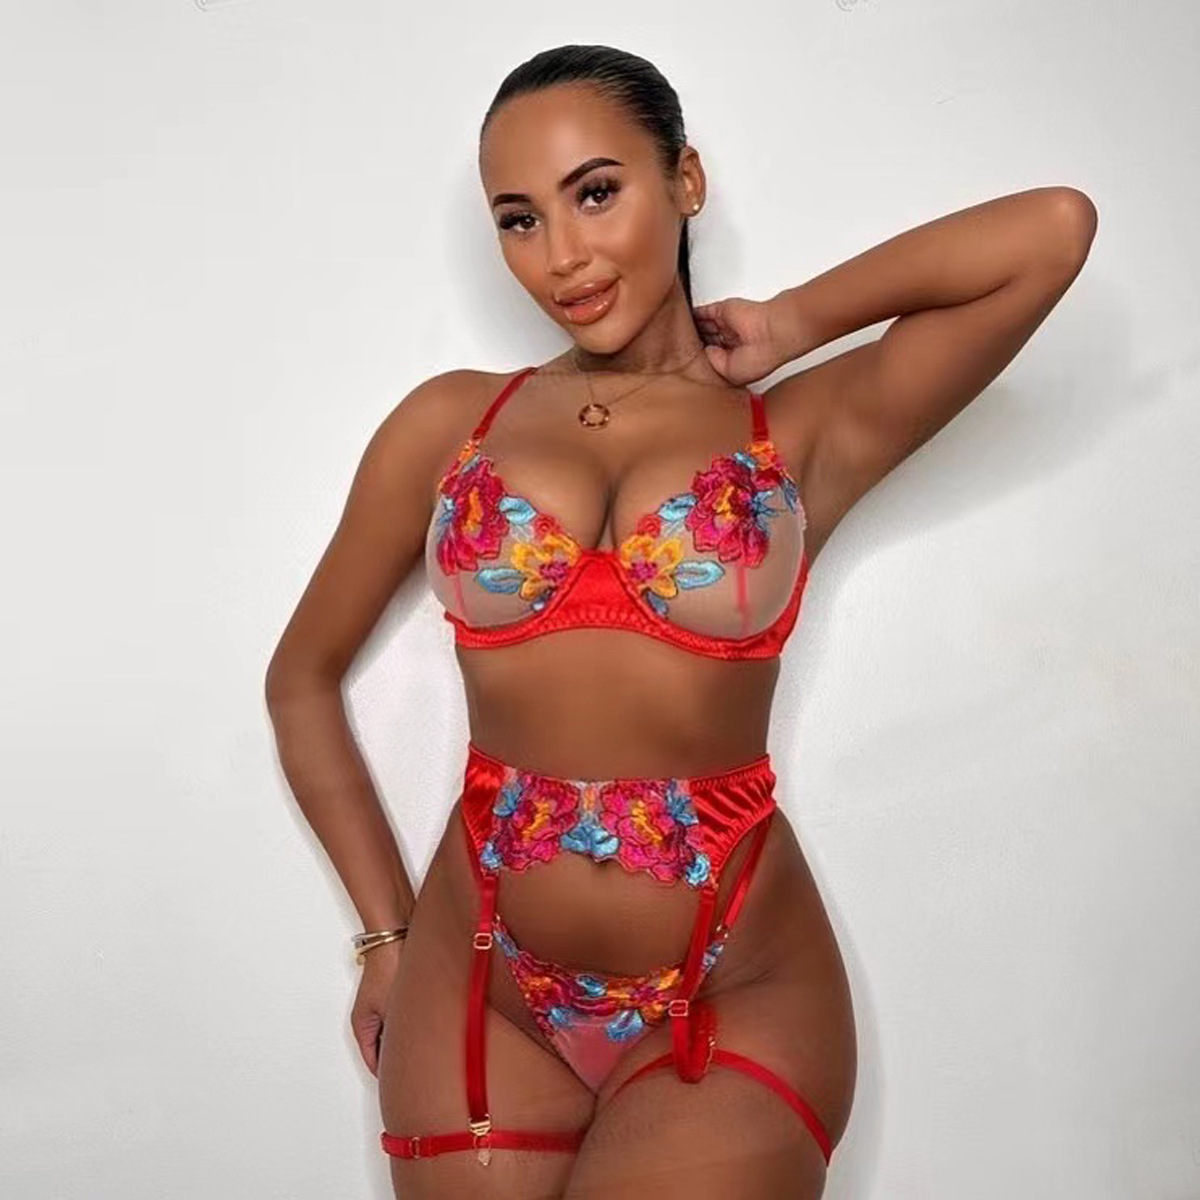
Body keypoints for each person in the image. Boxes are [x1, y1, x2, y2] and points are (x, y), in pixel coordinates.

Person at [264, 42, 1096, 1200]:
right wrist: (385, 936)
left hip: (733, 988)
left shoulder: (796, 432)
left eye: (596, 193)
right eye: (519, 219)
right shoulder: (449, 424)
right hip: (478, 988)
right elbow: (300, 679)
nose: (562, 255)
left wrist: (795, 321)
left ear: (686, 181)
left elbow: (1050, 231)